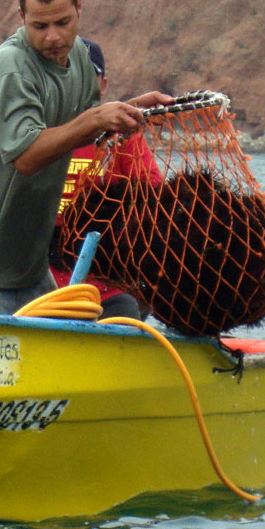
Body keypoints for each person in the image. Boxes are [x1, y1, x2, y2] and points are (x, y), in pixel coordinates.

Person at [0, 0, 173, 314]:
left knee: (52, 339)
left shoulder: (81, 58)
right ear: (22, 17)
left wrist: (128, 110)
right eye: (40, 26)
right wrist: (96, 117)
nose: (53, 37)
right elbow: (27, 156)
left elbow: (82, 127)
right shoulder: (12, 68)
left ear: (79, 7)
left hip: (25, 260)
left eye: (62, 22)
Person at [49, 38, 160, 320]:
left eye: (88, 75)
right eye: (70, 73)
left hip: (103, 287)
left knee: (128, 312)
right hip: (39, 281)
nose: (79, 83)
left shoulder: (121, 136)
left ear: (103, 85)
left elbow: (154, 196)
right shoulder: (39, 131)